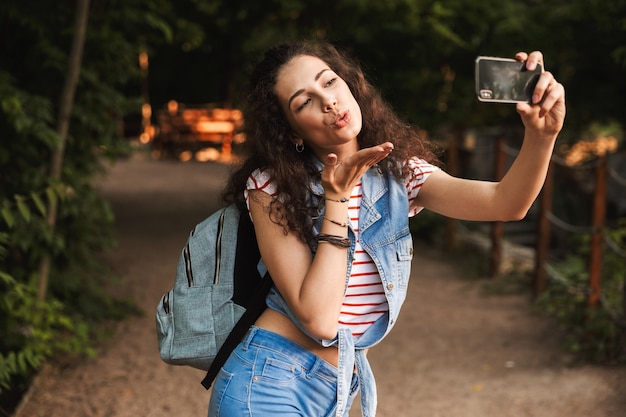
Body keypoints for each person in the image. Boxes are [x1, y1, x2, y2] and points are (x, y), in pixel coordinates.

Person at [209, 41, 565, 417]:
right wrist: (337, 200)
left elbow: (506, 204)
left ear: (350, 86)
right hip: (268, 382)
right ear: (292, 132)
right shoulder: (270, 186)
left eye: (329, 82)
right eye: (304, 102)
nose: (328, 101)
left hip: (338, 387)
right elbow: (318, 318)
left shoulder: (400, 176)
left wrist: (542, 137)